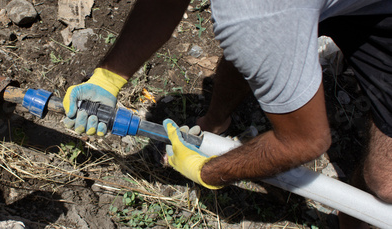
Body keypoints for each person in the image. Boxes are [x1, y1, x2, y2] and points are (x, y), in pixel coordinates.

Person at [62, 0, 392, 228]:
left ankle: (355, 223)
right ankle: (216, 122)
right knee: (255, 44)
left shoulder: (254, 17)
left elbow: (307, 140)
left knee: (386, 183)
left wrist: (210, 170)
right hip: (277, 15)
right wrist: (109, 76)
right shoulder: (255, 21)